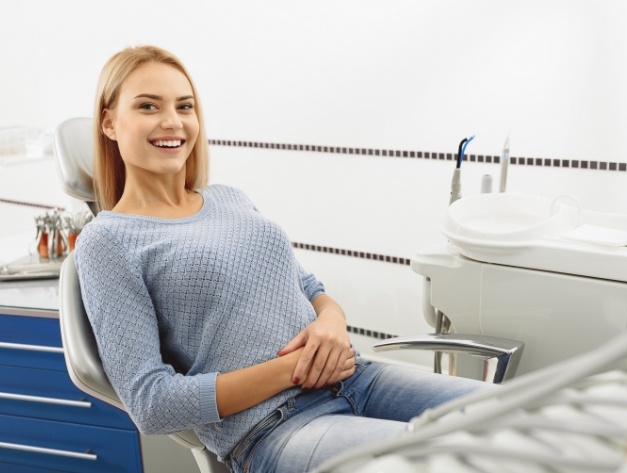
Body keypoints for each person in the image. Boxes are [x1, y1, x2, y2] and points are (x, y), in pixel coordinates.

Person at [75, 45, 489, 473]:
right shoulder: (107, 241)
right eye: (148, 106)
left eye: (185, 106)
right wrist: (294, 369)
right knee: (441, 461)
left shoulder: (229, 199)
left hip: (357, 379)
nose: (172, 121)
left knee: (524, 419)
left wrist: (332, 323)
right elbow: (151, 404)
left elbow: (310, 290)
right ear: (109, 122)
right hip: (274, 427)